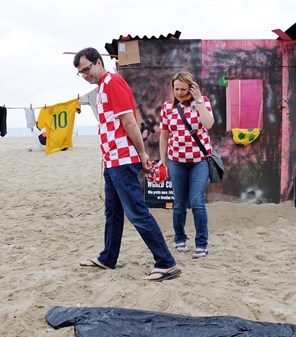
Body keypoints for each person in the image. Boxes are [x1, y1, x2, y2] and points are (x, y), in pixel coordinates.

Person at [73, 47, 181, 282]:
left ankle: (166, 262)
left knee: (137, 212)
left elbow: (129, 121)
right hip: (111, 160)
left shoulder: (113, 82)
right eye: (81, 73)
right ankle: (108, 258)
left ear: (98, 62)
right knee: (112, 212)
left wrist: (142, 154)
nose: (85, 75)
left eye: (87, 69)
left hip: (122, 160)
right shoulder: (102, 87)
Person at [158, 72, 215, 259]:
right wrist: (163, 163)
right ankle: (180, 238)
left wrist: (199, 100)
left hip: (199, 161)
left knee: (197, 202)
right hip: (176, 162)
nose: (179, 93)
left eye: (183, 89)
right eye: (176, 89)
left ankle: (201, 244)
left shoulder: (202, 102)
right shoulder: (167, 107)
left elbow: (209, 124)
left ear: (192, 88)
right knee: (179, 204)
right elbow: (164, 136)